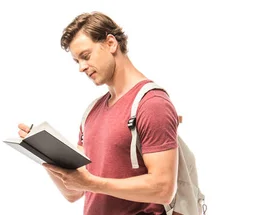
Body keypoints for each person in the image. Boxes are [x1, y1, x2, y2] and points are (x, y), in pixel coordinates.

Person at [17, 11, 179, 215]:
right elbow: (73, 193)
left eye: (85, 56)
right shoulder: (92, 112)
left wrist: (93, 184)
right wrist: (42, 153)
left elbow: (163, 189)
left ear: (111, 43)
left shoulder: (152, 104)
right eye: (77, 61)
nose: (82, 68)